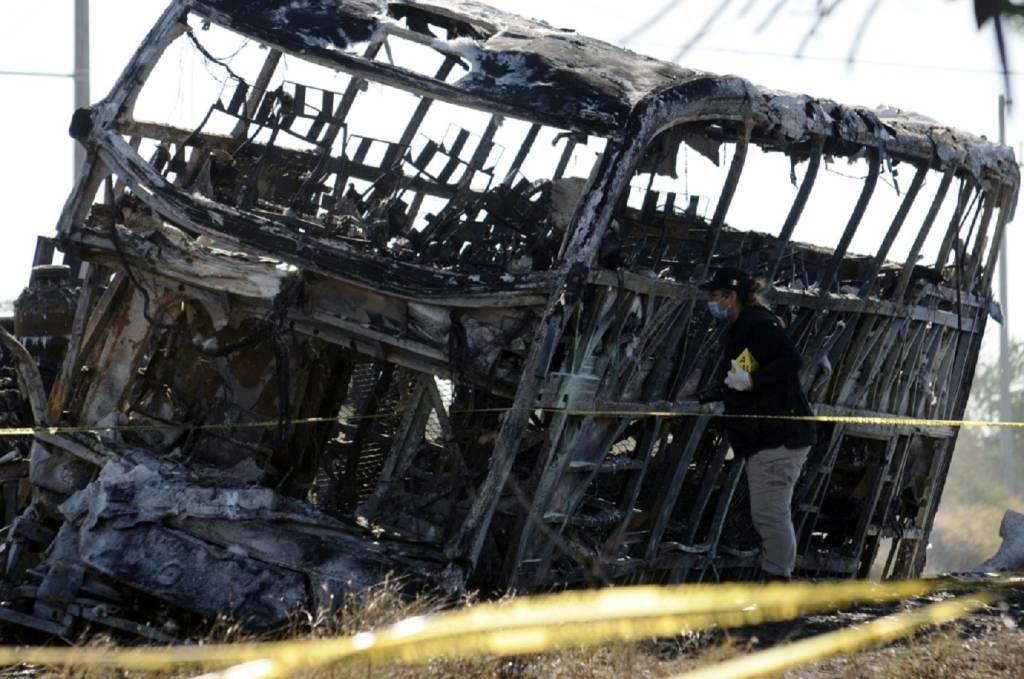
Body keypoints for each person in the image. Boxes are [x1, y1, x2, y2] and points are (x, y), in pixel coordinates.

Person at [697, 267, 816, 582]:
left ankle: (778, 586)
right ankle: (776, 583)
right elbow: (748, 365)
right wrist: (726, 388)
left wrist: (752, 381)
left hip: (779, 438)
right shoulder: (746, 327)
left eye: (715, 297)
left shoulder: (759, 324)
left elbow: (792, 361)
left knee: (770, 514)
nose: (712, 303)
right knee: (768, 513)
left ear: (730, 296)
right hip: (772, 437)